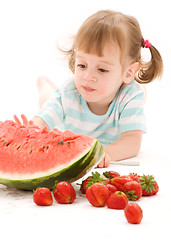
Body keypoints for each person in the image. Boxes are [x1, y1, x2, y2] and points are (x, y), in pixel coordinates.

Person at [30, 10, 163, 168]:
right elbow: (41, 121)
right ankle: (45, 86)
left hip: (116, 117)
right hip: (66, 125)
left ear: (128, 72)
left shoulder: (130, 97)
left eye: (102, 70)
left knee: (140, 93)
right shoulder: (69, 91)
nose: (87, 76)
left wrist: (105, 153)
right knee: (47, 98)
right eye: (82, 65)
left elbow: (132, 142)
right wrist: (31, 130)